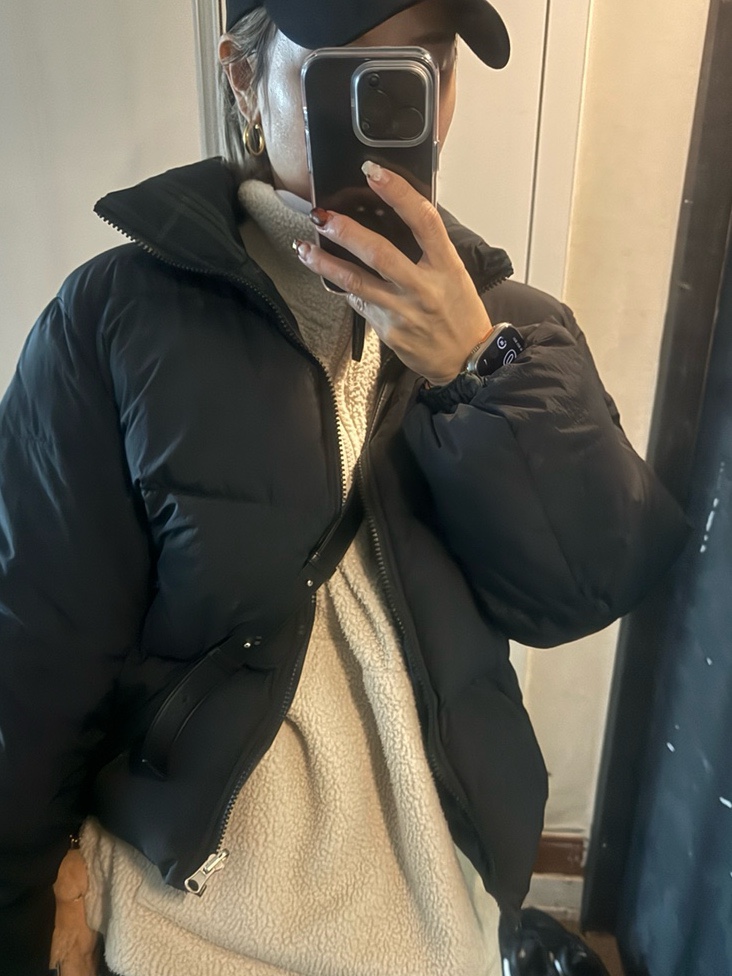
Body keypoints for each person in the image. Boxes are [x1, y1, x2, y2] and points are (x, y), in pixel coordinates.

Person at [0, 1, 687, 974]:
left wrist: (475, 370)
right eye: (344, 69)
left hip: (439, 918)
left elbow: (585, 589)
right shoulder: (113, 323)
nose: (391, 104)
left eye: (423, 66)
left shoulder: (516, 333)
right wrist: (21, 913)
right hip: (185, 919)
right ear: (244, 79)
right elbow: (34, 650)